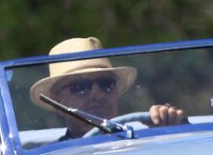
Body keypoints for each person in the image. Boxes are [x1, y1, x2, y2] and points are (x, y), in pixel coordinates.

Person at [30, 36, 186, 139]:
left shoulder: (143, 141)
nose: (97, 93)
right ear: (57, 102)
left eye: (105, 84)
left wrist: (169, 131)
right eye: (80, 87)